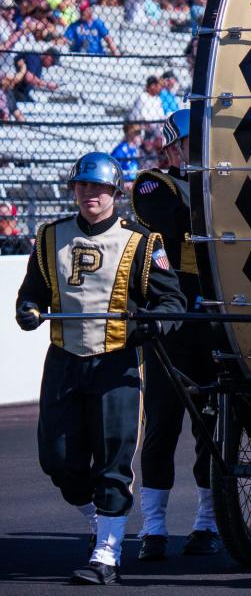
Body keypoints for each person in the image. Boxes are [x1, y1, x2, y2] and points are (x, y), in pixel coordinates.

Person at [15, 152, 185, 584]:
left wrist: (156, 322)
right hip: (63, 362)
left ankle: (107, 555)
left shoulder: (143, 242)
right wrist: (28, 308)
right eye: (84, 186)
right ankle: (96, 517)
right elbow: (31, 292)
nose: (91, 194)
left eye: (100, 187)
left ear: (116, 192)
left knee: (113, 460)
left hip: (117, 364)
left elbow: (173, 302)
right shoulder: (50, 237)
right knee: (57, 460)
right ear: (74, 190)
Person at [132, 109, 223, 559]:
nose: (197, 148)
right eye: (189, 142)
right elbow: (178, 227)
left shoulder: (220, 181)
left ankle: (207, 521)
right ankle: (154, 526)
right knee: (162, 425)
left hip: (216, 319)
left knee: (211, 426)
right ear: (170, 148)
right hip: (170, 319)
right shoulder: (154, 185)